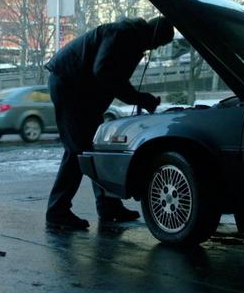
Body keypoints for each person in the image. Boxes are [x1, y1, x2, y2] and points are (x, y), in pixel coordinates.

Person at [45, 16, 175, 230]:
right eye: (159, 43)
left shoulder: (130, 38)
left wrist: (137, 97)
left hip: (77, 89)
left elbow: (109, 76)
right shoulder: (122, 35)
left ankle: (108, 207)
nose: (155, 47)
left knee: (93, 149)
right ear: (154, 35)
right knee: (79, 151)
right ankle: (57, 211)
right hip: (68, 86)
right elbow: (103, 71)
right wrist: (138, 98)